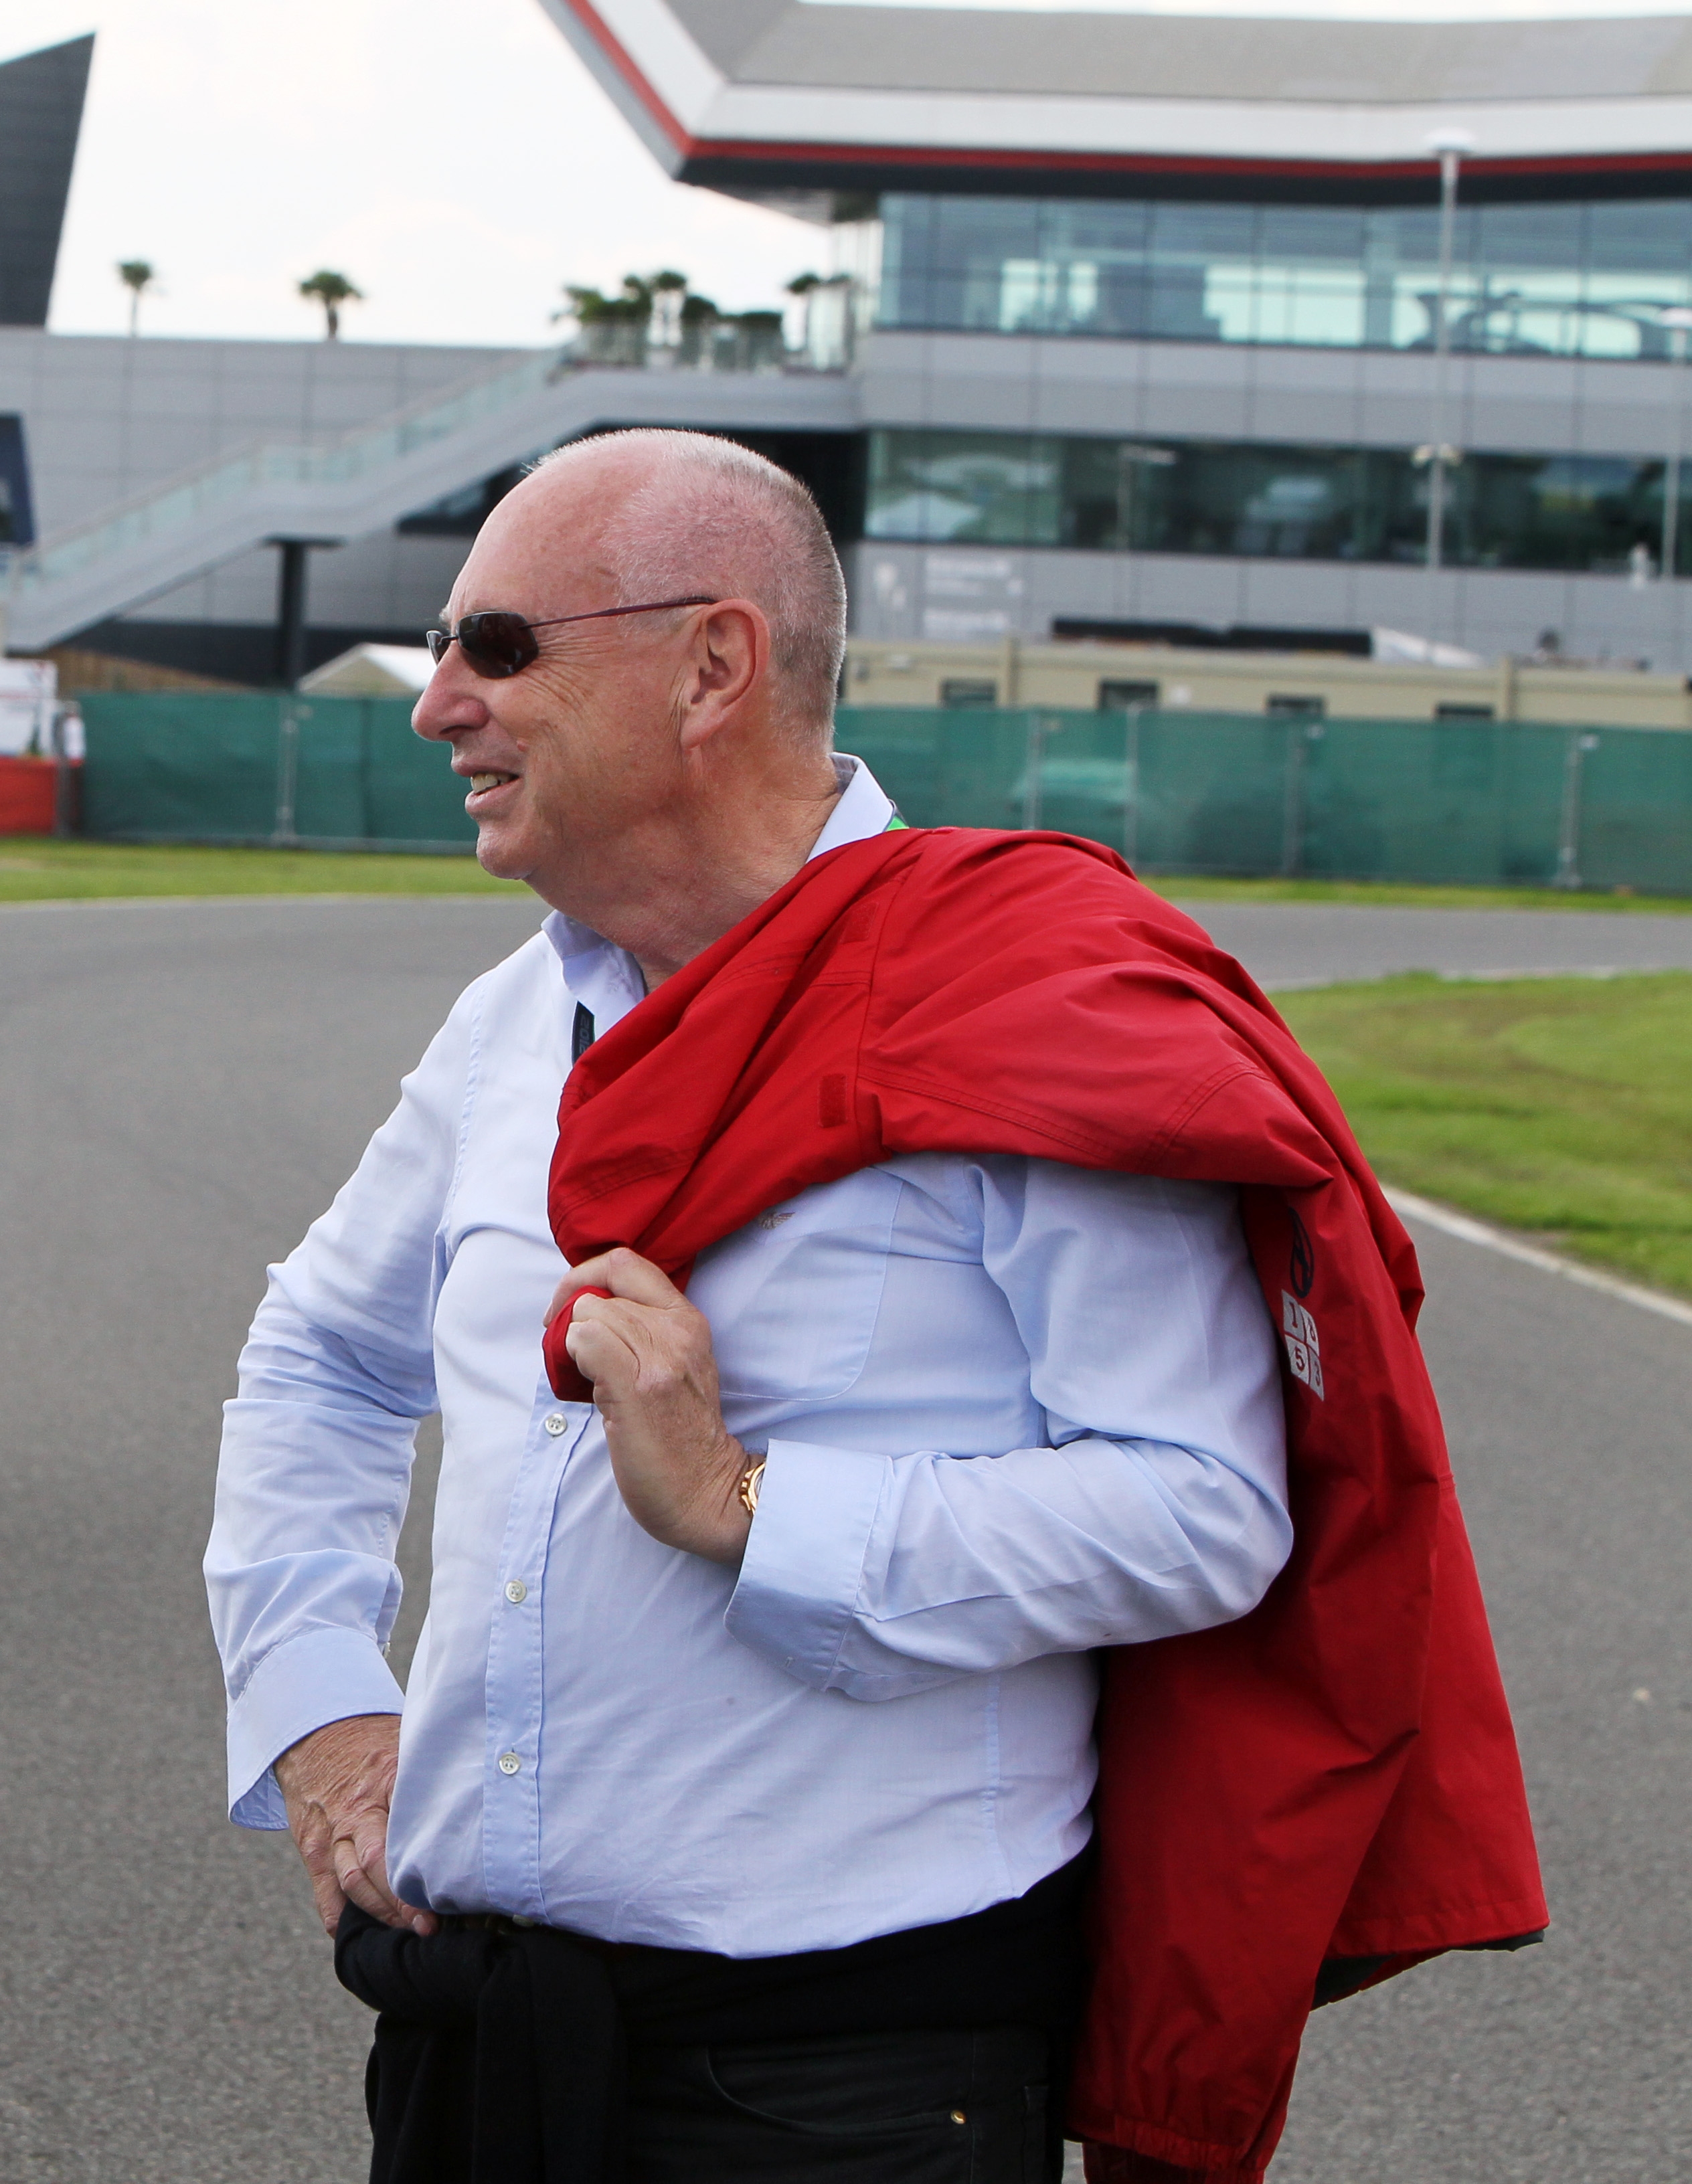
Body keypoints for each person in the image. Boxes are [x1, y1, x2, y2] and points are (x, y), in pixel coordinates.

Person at [203, 428, 1537, 2183]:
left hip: (844, 2088)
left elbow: (1207, 1509)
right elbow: (326, 1352)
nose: (436, 701)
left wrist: (753, 1510)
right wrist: (317, 1712)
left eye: (497, 645)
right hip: (479, 2042)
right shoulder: (511, 1024)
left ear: (712, 665)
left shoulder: (1026, 1004)